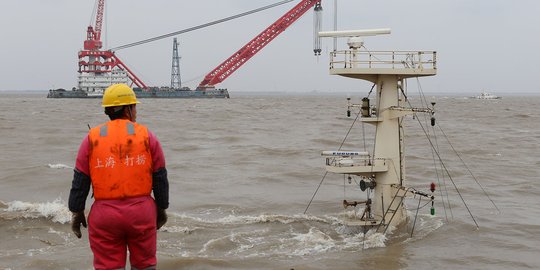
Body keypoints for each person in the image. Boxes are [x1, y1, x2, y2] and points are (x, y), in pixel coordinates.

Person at [68, 83, 169, 269]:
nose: (136, 111)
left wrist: (77, 211)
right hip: (141, 214)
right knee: (145, 265)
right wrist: (161, 209)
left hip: (105, 217)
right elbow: (160, 176)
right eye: (135, 106)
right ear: (129, 109)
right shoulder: (147, 136)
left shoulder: (91, 138)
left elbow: (80, 180)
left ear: (108, 110)